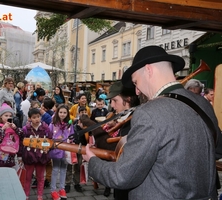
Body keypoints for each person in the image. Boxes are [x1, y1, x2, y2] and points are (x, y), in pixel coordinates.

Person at [83, 45, 221, 199]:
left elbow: (122, 176)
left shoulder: (149, 112)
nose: (137, 91)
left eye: (136, 82)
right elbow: (217, 150)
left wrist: (93, 161)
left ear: (148, 70)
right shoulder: (202, 103)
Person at [21, 108, 52, 200]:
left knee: (40, 177)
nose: (37, 119)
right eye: (34, 117)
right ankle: (26, 195)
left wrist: (47, 148)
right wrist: (20, 156)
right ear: (30, 118)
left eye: (38, 117)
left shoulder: (45, 128)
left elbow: (49, 140)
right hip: (29, 156)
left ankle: (40, 195)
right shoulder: (26, 129)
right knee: (28, 177)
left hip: (41, 156)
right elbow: (21, 142)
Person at [49, 104, 74, 200]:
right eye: (60, 112)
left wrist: (71, 140)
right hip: (56, 150)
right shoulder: (53, 124)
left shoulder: (69, 124)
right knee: (55, 170)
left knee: (64, 169)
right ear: (57, 112)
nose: (62, 114)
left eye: (64, 112)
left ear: (67, 113)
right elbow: (49, 135)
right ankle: (53, 190)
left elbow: (71, 134)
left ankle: (62, 189)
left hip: (66, 150)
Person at [0, 103, 23, 168]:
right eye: (6, 115)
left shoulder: (12, 126)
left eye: (10, 116)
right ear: (1, 116)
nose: (8, 117)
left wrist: (15, 128)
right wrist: (3, 129)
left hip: (10, 156)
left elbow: (21, 135)